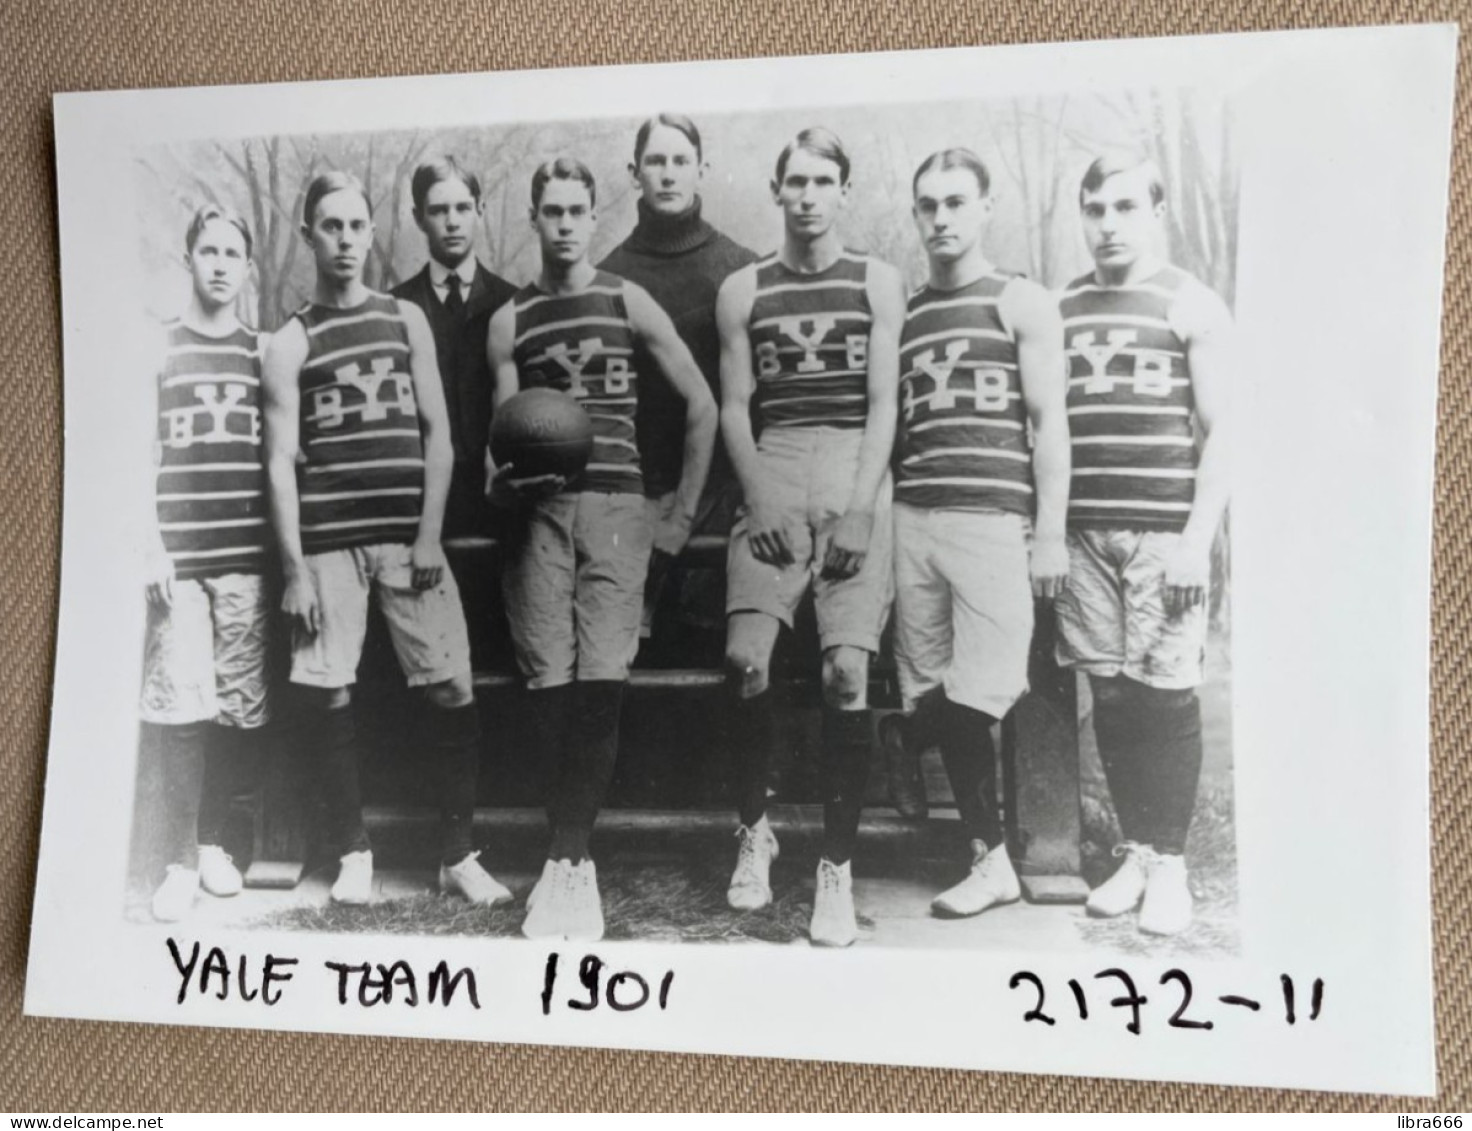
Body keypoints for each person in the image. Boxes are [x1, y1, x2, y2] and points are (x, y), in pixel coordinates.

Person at [262, 171, 509, 908]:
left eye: (356, 225)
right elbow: (278, 459)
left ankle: (457, 854)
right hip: (330, 542)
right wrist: (295, 569)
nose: (345, 240)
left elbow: (440, 434)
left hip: (408, 539)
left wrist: (430, 533)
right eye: (330, 226)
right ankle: (352, 851)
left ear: (373, 231)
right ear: (310, 235)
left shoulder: (406, 318)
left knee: (452, 682)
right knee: (329, 688)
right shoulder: (292, 340)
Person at [486, 157, 717, 942]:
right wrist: (506, 484)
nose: (565, 224)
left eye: (578, 210)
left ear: (592, 216)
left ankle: (568, 864)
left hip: (619, 505)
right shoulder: (510, 318)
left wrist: (680, 517)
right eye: (551, 210)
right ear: (534, 217)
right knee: (549, 678)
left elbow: (701, 404)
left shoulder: (628, 297)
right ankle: (569, 857)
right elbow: (497, 439)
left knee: (602, 677)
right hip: (540, 510)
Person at [715, 128, 906, 947]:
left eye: (824, 180)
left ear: (843, 192)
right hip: (778, 460)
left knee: (844, 672)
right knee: (746, 660)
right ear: (776, 189)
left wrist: (862, 504)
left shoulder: (878, 280)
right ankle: (754, 830)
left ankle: (836, 863)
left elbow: (884, 403)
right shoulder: (743, 288)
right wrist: (757, 496)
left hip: (855, 463)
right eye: (795, 181)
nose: (807, 196)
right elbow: (732, 405)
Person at [887, 148, 1070, 918]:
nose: (941, 219)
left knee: (988, 685)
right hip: (913, 517)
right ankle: (987, 858)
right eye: (928, 205)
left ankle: (898, 739)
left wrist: (1050, 531)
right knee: (929, 679)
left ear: (985, 205)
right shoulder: (904, 311)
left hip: (993, 517)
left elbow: (1048, 421)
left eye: (956, 202)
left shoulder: (1020, 299)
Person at [1054, 152, 1232, 936]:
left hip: (1164, 531)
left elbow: (1224, 429)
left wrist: (1198, 540)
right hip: (1085, 532)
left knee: (1166, 693)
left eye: (1126, 208)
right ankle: (1135, 849)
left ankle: (1171, 862)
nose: (1109, 225)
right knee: (1112, 692)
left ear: (1155, 212)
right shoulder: (1059, 308)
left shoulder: (1190, 302)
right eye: (1095, 209)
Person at [142, 204, 271, 922]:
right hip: (183, 558)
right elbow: (142, 455)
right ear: (188, 258)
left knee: (238, 704)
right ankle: (179, 857)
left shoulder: (261, 350)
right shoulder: (160, 348)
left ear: (247, 266)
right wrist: (151, 542)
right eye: (209, 250)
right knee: (181, 705)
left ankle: (218, 840)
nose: (220, 263)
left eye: (233, 252)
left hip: (245, 557)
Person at [597, 114, 758, 634]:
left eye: (680, 161)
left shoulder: (739, 268)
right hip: (637, 491)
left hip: (722, 492)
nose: (668, 174)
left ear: (701, 170)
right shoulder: (608, 276)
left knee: (715, 643)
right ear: (634, 172)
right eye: (655, 161)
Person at [391, 157, 518, 539]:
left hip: (498, 502)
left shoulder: (511, 302)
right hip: (423, 502)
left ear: (479, 210)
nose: (452, 221)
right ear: (418, 218)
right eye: (438, 210)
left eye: (463, 208)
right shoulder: (397, 308)